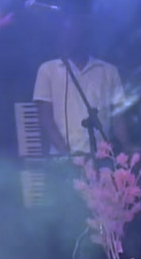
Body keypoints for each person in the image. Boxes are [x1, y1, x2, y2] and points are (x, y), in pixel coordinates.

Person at [33, 13, 127, 158]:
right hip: (62, 160)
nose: (73, 37)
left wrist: (127, 146)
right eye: (68, 32)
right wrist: (66, 154)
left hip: (102, 157)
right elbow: (45, 118)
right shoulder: (47, 69)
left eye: (78, 32)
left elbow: (118, 116)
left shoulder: (109, 71)